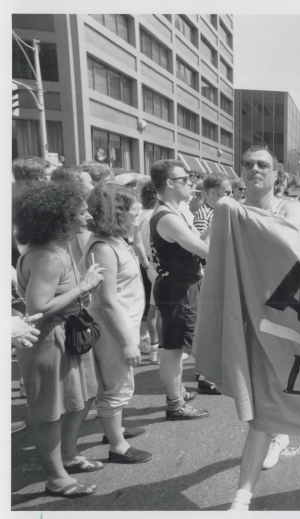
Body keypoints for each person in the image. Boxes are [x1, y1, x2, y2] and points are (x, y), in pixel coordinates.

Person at [13, 181, 106, 497]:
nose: (87, 215)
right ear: (61, 217)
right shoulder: (49, 256)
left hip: (67, 335)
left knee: (79, 401)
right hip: (49, 340)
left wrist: (81, 289)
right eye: (80, 211)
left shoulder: (57, 249)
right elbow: (36, 308)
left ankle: (69, 456)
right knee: (52, 412)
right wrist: (83, 287)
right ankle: (57, 479)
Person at [229, 146, 300, 511]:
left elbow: (288, 234)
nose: (255, 169)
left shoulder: (287, 208)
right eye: (248, 164)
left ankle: (242, 498)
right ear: (240, 172)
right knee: (261, 396)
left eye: (263, 165)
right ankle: (278, 429)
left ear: (277, 175)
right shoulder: (232, 212)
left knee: (263, 403)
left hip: (286, 316)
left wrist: (236, 214)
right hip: (247, 314)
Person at [84, 184, 152, 464]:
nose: (138, 211)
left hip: (122, 324)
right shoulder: (102, 247)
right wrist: (127, 342)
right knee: (116, 386)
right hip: (113, 328)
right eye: (132, 207)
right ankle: (117, 446)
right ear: (118, 212)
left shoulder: (113, 241)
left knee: (117, 384)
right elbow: (107, 301)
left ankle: (116, 431)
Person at [149, 160, 211, 421]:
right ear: (169, 184)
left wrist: (216, 221)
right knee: (174, 350)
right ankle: (175, 404)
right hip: (177, 289)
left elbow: (197, 243)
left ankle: (178, 392)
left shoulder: (172, 212)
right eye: (184, 179)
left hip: (181, 286)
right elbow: (205, 251)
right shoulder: (168, 217)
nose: (191, 183)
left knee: (178, 347)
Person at [134, 181, 161, 363]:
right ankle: (150, 344)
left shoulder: (142, 214)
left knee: (148, 305)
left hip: (145, 263)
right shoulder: (153, 215)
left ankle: (146, 341)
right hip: (152, 262)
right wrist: (147, 265)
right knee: (153, 306)